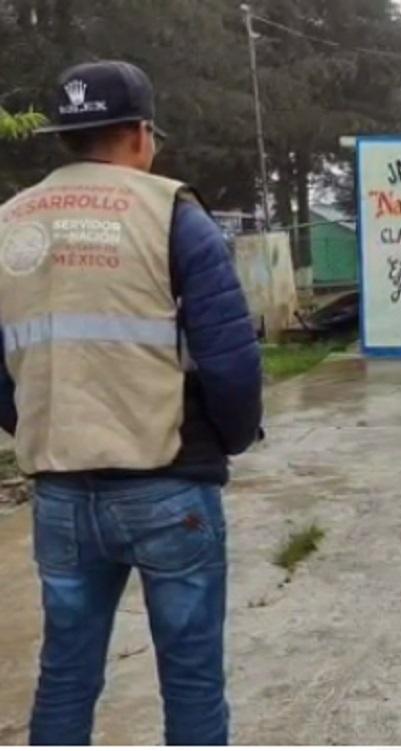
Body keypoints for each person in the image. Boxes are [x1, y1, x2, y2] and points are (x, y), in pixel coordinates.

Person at [0, 61, 263, 745]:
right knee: (192, 680)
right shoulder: (172, 215)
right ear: (143, 133)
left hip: (61, 492)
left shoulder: (11, 223)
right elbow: (232, 361)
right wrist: (228, 439)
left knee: (65, 675)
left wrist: (37, 423)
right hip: (168, 486)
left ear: (66, 138)